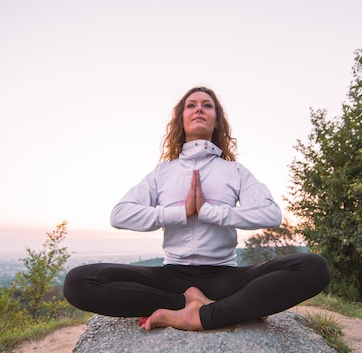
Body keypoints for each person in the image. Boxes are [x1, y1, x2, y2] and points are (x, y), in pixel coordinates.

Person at [63, 86, 330, 331]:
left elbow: (270, 214)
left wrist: (211, 213)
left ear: (217, 120)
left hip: (224, 276)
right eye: (191, 105)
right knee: (78, 282)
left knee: (313, 267)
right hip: (172, 275)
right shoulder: (163, 173)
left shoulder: (234, 171)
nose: (199, 109)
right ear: (181, 119)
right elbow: (119, 214)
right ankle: (188, 303)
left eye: (207, 105)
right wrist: (180, 213)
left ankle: (200, 315)